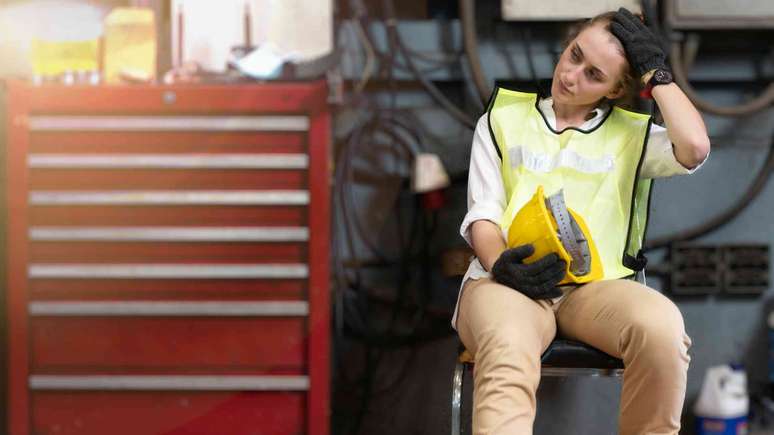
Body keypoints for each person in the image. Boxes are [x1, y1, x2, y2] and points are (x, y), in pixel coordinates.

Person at [453, 8, 710, 435]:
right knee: (508, 343)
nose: (571, 76)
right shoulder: (502, 119)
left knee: (662, 330)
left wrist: (658, 76)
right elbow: (483, 212)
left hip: (594, 292)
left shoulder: (633, 136)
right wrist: (501, 265)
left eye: (594, 75)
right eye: (575, 55)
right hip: (507, 281)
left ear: (615, 89)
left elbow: (695, 147)